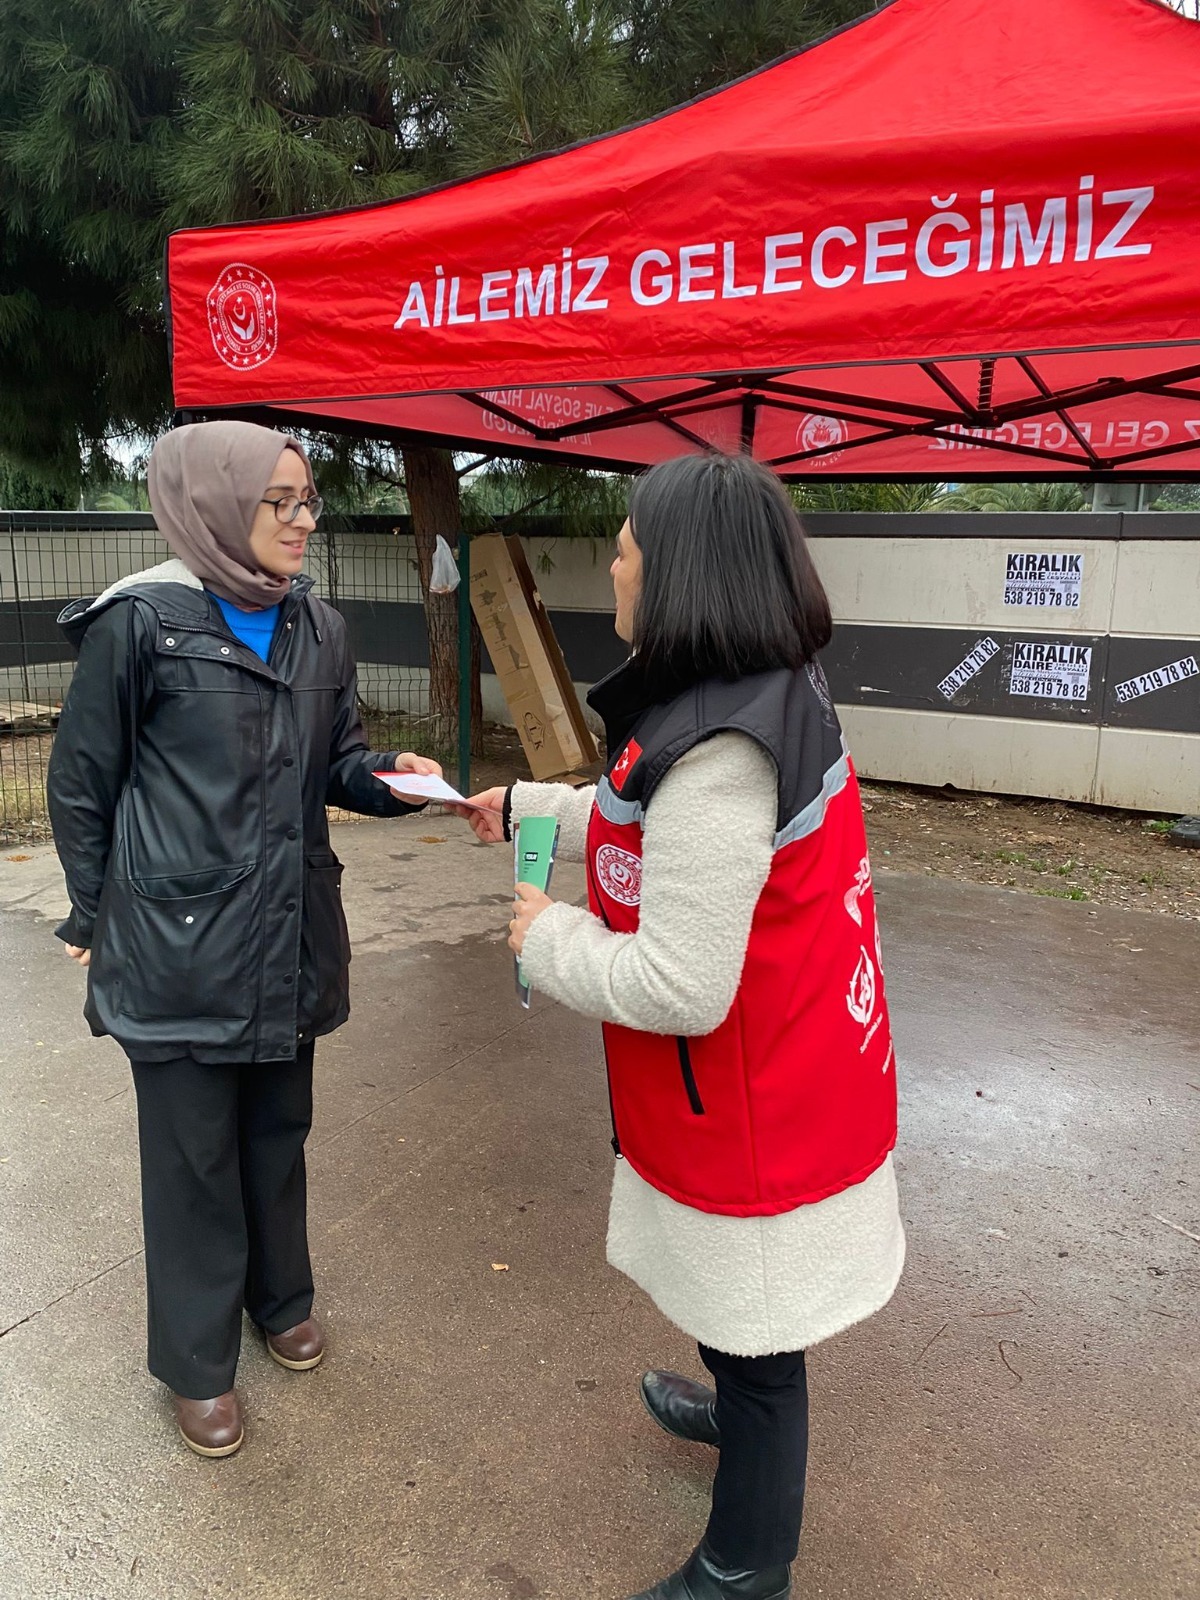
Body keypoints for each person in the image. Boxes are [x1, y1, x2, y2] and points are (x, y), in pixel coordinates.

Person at [459, 453, 904, 1600]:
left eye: (626, 545)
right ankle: (735, 1398)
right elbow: (634, 812)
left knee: (764, 1347)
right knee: (741, 1316)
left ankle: (746, 1562)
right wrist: (515, 807)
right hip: (772, 1081)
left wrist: (543, 939)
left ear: (680, 569)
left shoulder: (723, 750)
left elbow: (680, 982)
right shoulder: (743, 692)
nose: (612, 561)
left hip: (756, 1104)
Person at [46, 421, 439, 1458]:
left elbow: (336, 762)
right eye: (282, 501)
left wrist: (390, 781)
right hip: (177, 943)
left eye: (311, 500)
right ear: (216, 502)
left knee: (276, 1135)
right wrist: (91, 911)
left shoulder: (318, 626)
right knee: (192, 1162)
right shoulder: (141, 624)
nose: (305, 520)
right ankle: (196, 1362)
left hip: (285, 937)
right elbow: (81, 785)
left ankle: (282, 1301)